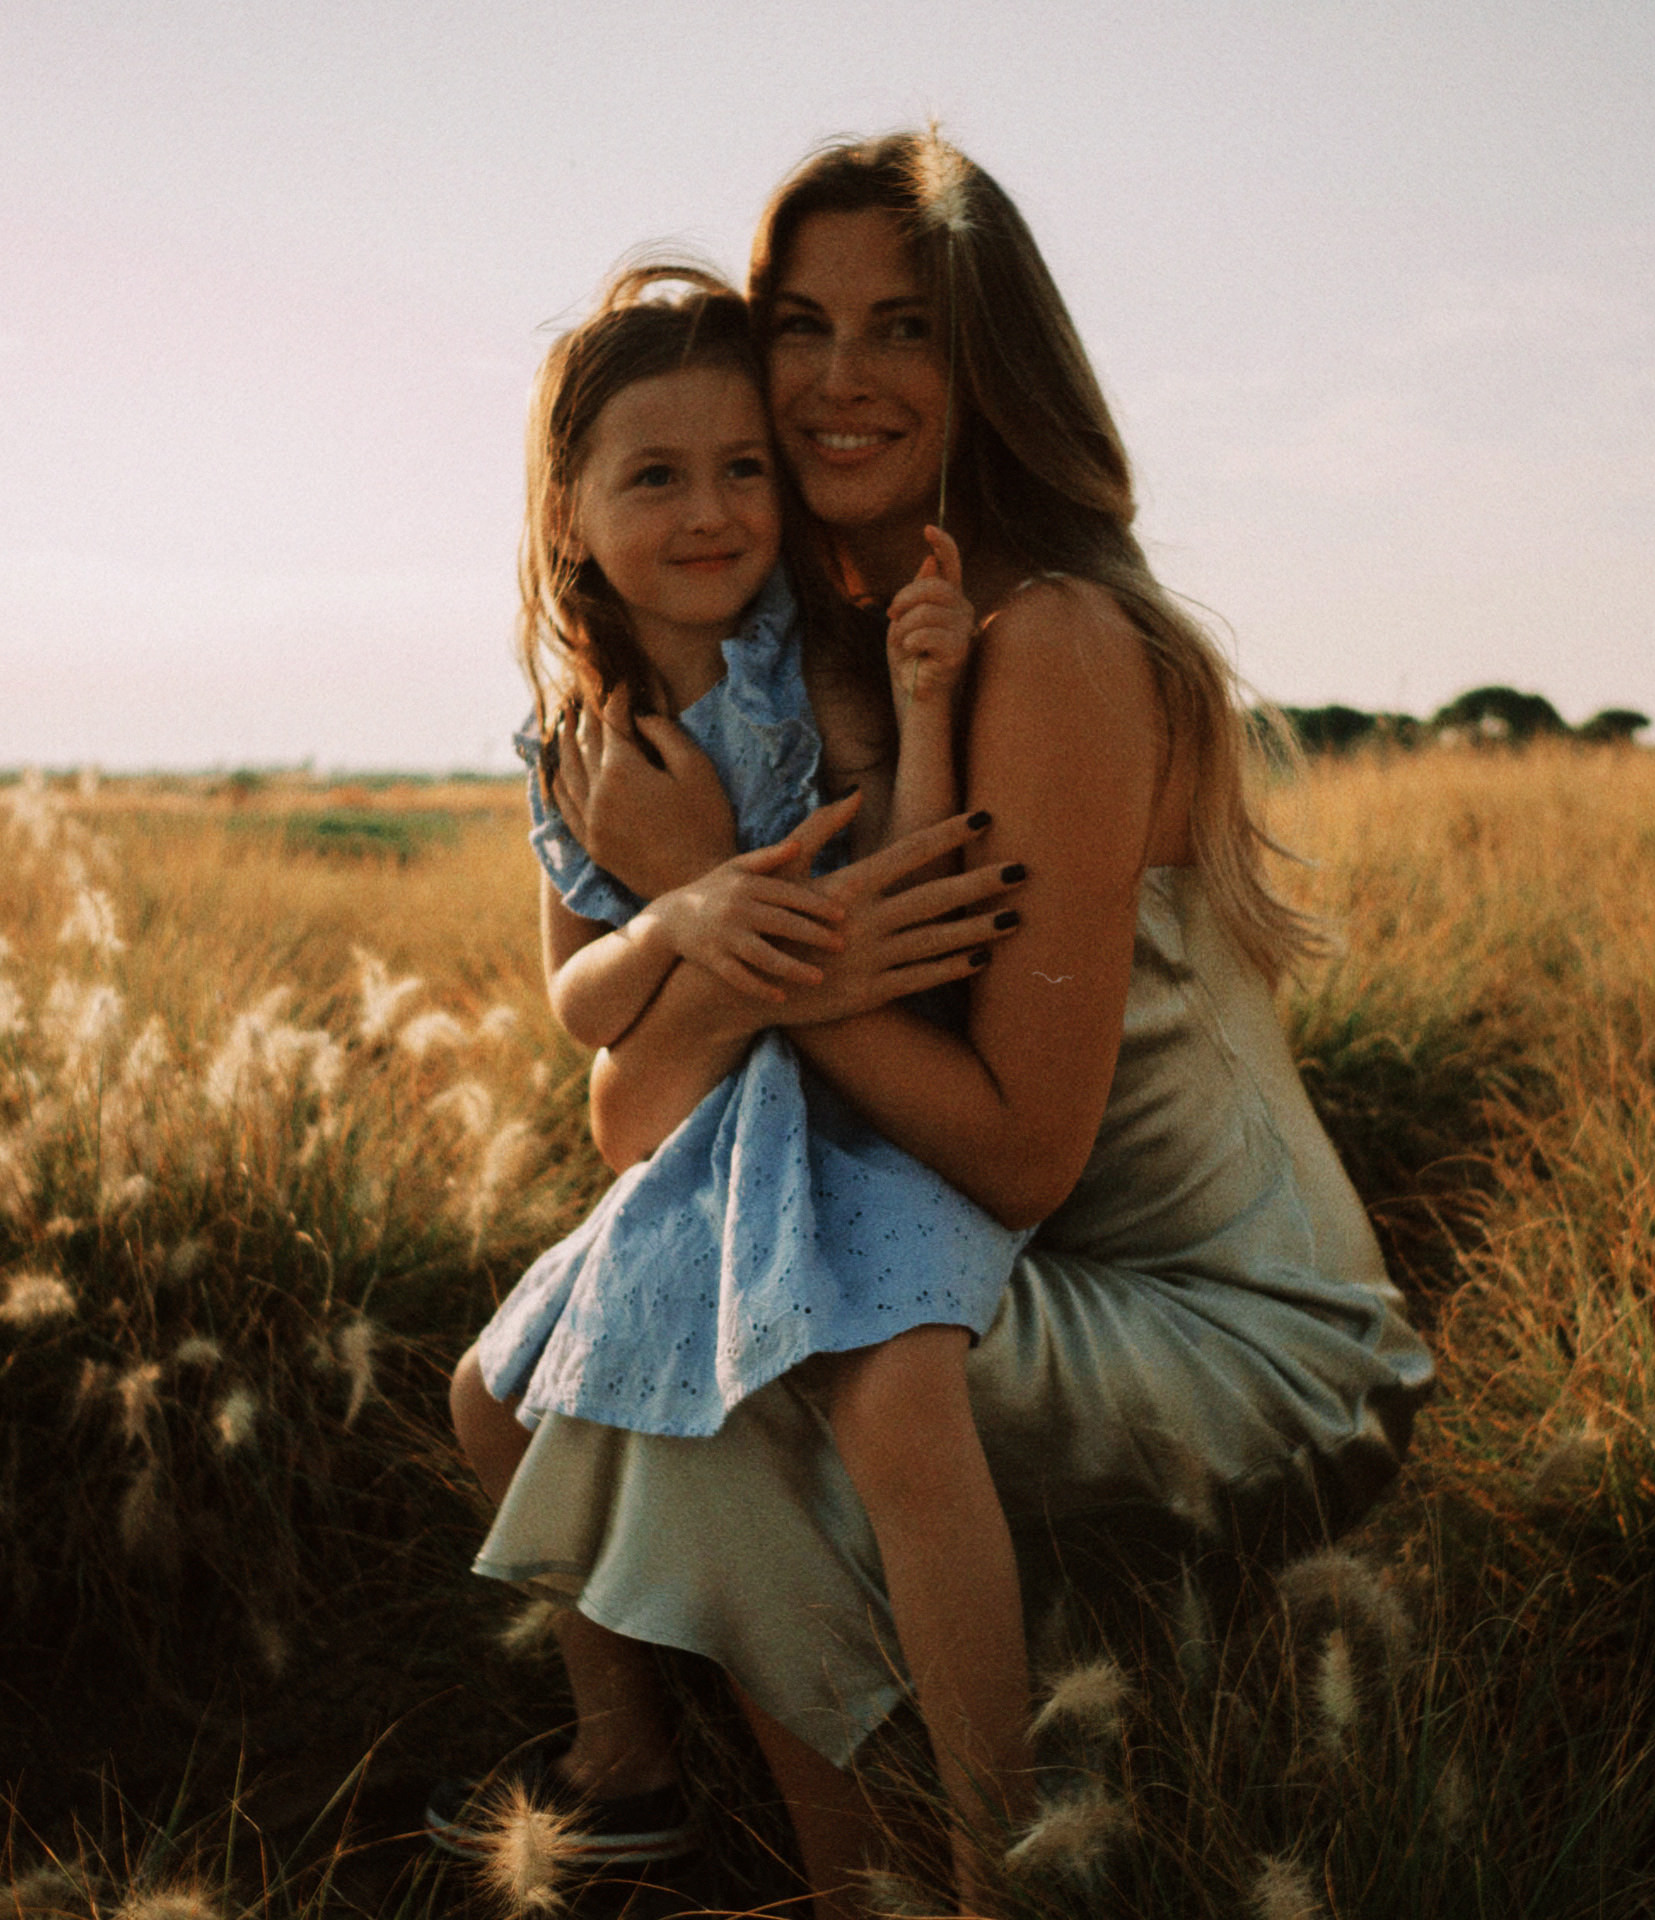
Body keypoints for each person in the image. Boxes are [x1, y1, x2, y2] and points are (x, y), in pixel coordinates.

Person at [471, 133, 1435, 1917]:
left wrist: (741, 924)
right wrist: (716, 913)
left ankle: (937, 1882)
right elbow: (630, 1117)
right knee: (676, 1315)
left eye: (903, 328)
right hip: (1020, 1294)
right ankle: (849, 1858)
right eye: (805, 327)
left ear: (988, 358)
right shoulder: (830, 655)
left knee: (742, 1360)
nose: (841, 380)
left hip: (1249, 1346)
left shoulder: (1052, 639)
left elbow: (1017, 1148)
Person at [436, 264, 1040, 1870]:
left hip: (863, 1118)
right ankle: (626, 1751)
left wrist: (918, 708)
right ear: (568, 514)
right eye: (655, 476)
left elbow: (917, 893)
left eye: (742, 469)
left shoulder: (822, 659)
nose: (709, 512)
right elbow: (584, 1008)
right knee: (487, 1401)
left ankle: (978, 1838)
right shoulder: (578, 744)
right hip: (710, 1131)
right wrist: (684, 917)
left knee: (881, 1393)